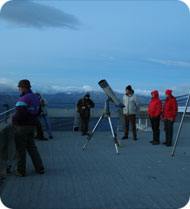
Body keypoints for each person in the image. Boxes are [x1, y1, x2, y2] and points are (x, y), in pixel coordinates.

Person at [12, 79, 44, 177]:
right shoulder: (35, 97)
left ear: (23, 87)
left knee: (20, 150)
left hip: (21, 127)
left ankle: (20, 171)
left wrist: (14, 121)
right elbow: (39, 111)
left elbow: (19, 114)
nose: (18, 89)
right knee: (32, 148)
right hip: (32, 126)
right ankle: (40, 168)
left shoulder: (23, 99)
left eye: (19, 87)